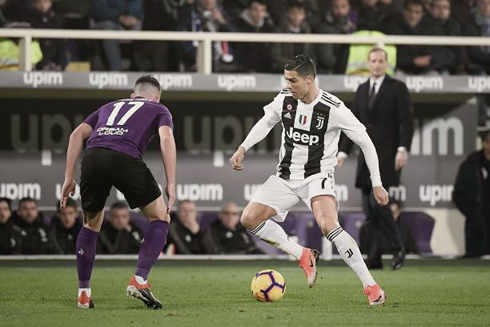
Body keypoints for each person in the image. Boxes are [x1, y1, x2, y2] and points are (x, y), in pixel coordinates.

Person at [230, 54, 389, 306]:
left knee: (328, 225)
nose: (288, 85)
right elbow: (266, 121)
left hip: (317, 176)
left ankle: (371, 286)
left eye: (293, 81)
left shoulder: (333, 107)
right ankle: (303, 255)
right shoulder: (285, 98)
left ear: (309, 79)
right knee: (249, 219)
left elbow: (365, 142)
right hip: (285, 176)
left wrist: (377, 182)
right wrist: (243, 147)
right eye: (286, 80)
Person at [61, 75, 176, 309]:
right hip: (125, 157)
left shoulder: (109, 106)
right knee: (160, 217)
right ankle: (140, 279)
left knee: (90, 224)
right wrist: (171, 181)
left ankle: (84, 293)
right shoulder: (159, 108)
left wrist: (68, 177)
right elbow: (166, 137)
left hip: (93, 156)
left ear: (133, 95)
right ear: (156, 98)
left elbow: (76, 135)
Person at [337, 48, 414, 270]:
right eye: (373, 60)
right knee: (369, 211)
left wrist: (403, 149)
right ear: (368, 63)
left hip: (389, 156)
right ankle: (374, 256)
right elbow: (354, 124)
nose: (377, 64)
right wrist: (343, 151)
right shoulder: (361, 90)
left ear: (386, 63)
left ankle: (398, 247)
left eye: (381, 61)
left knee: (377, 203)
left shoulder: (398, 88)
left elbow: (407, 121)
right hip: (365, 158)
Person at [453, 130, 490, 257]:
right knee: (474, 262)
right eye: (488, 141)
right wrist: (473, 214)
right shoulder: (471, 164)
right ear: (483, 143)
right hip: (476, 224)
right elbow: (458, 195)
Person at [359, 199, 418, 268]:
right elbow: (363, 252)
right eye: (387, 213)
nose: (390, 217)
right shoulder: (370, 228)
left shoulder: (404, 229)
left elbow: (412, 250)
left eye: (393, 213)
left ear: (399, 212)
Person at [90, 0, 143, 71]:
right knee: (108, 28)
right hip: (104, 22)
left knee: (141, 24)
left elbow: (139, 10)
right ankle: (117, 71)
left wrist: (132, 18)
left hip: (128, 23)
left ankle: (142, 70)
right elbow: (98, 9)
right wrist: (119, 17)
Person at [270, 2, 316, 72]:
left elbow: (312, 54)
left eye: (300, 13)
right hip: (282, 71)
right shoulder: (279, 31)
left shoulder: (308, 31)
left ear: (304, 15)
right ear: (287, 14)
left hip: (304, 72)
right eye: (293, 13)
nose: (296, 16)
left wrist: (307, 68)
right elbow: (276, 54)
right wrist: (291, 66)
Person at [231, 0, 274, 73]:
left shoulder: (268, 27)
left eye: (262, 10)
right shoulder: (237, 25)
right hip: (243, 70)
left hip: (266, 70)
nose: (259, 14)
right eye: (255, 10)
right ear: (249, 10)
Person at [28, 0, 67, 70]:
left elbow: (61, 45)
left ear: (50, 3)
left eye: (45, 2)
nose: (42, 5)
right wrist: (43, 64)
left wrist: (60, 64)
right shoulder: (30, 20)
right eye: (39, 2)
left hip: (54, 61)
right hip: (37, 63)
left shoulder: (56, 20)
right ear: (35, 4)